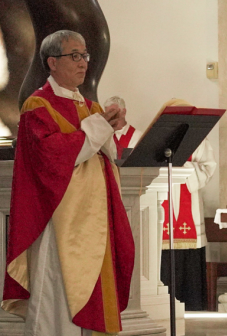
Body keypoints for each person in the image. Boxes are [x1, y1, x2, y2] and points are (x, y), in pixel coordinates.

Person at [2, 30, 132, 336]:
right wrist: (100, 126)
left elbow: (105, 154)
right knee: (58, 297)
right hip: (60, 221)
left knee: (94, 292)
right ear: (52, 63)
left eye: (84, 55)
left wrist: (108, 125)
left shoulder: (88, 106)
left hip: (94, 221)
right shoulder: (38, 106)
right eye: (74, 55)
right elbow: (54, 156)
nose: (83, 62)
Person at [157, 98, 217, 311]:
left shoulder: (197, 140)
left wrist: (185, 169)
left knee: (189, 261)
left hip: (188, 206)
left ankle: (192, 307)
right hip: (160, 205)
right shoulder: (156, 138)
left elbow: (209, 167)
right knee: (162, 258)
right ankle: (163, 307)